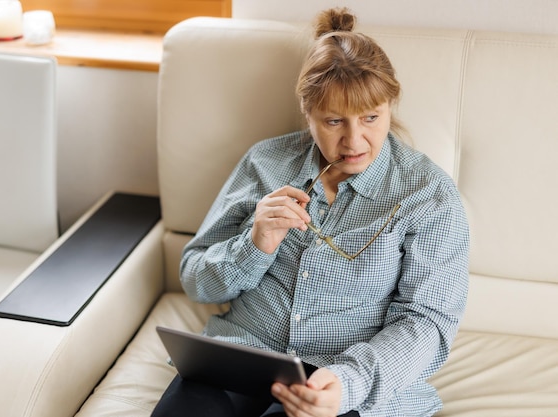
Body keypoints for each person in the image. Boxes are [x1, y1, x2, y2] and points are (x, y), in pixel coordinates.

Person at [151, 7, 469, 417]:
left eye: (371, 118)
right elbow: (196, 279)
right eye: (334, 121)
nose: (354, 141)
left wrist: (348, 385)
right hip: (238, 359)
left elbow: (428, 324)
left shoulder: (429, 196)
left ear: (391, 104)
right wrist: (254, 245)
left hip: (340, 380)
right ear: (308, 112)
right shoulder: (265, 163)